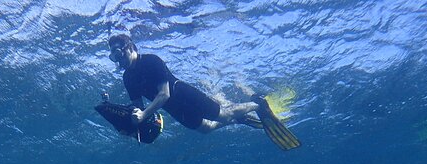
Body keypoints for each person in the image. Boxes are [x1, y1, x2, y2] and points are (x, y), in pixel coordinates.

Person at [107, 34, 300, 150]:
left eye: (118, 52)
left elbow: (164, 94)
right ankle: (239, 118)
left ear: (130, 47)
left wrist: (142, 115)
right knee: (206, 129)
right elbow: (139, 108)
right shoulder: (127, 78)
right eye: (112, 56)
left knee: (224, 114)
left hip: (183, 94)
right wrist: (130, 127)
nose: (117, 59)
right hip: (174, 109)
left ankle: (258, 103)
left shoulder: (151, 61)